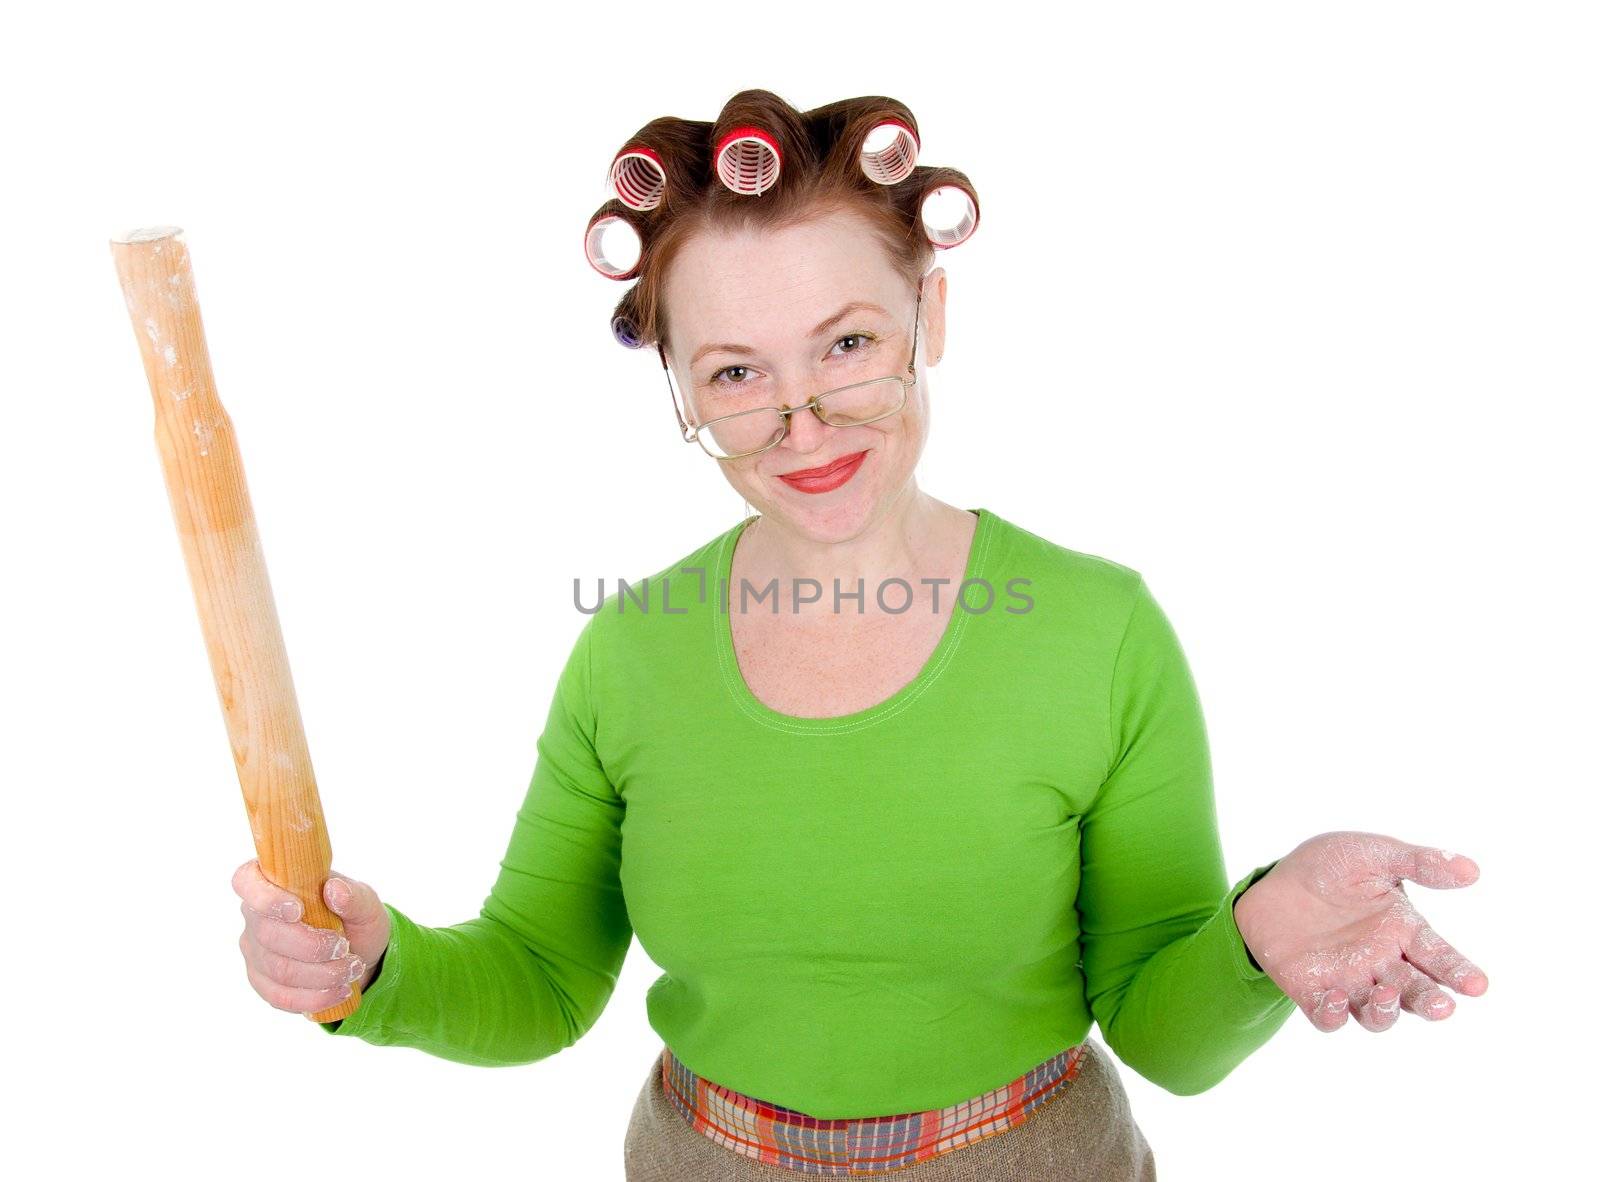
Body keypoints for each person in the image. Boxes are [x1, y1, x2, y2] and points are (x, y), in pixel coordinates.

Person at [231, 89, 1489, 1179]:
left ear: (926, 319)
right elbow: (538, 986)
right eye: (735, 372)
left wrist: (1260, 932)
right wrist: (375, 970)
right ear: (676, 382)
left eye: (847, 343)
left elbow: (1165, 1031)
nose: (803, 421)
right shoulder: (628, 651)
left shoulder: (1097, 632)